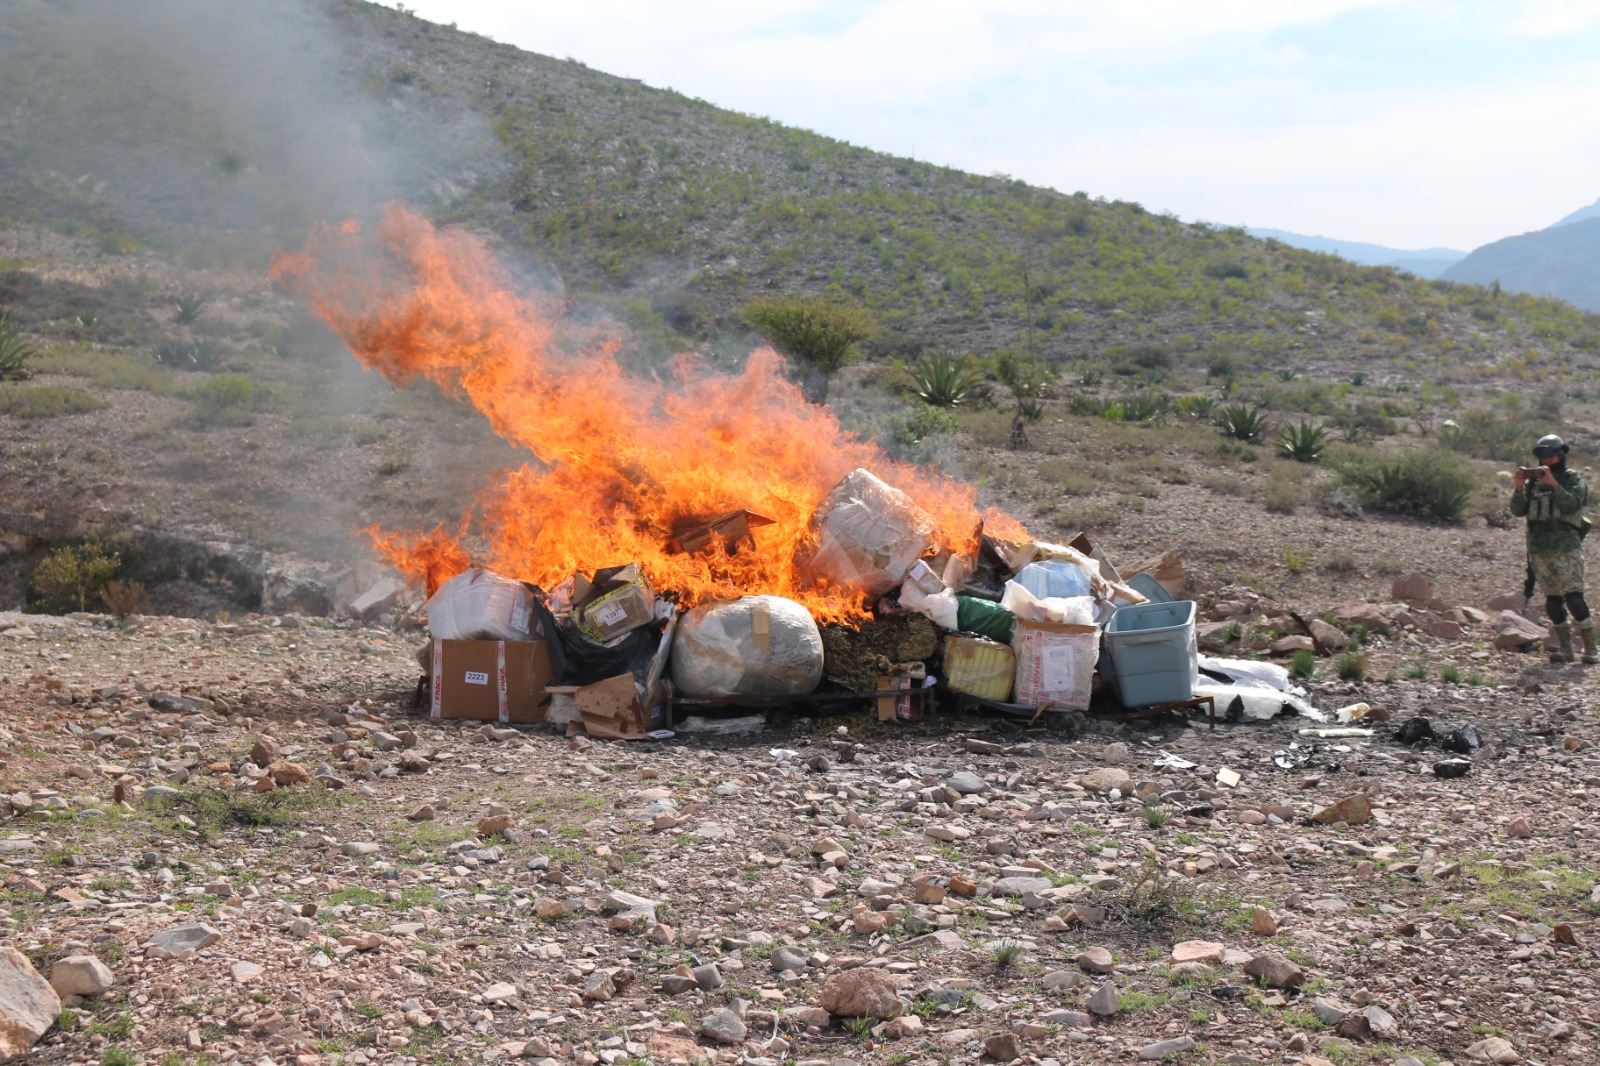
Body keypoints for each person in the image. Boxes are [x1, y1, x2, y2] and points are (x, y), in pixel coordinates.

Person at [1510, 434, 1595, 663]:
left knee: (1574, 598)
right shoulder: (1532, 484)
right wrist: (1519, 488)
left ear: (1561, 455)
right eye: (1543, 456)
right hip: (1539, 548)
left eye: (1551, 455)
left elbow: (1572, 504)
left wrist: (1554, 485)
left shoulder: (1572, 480)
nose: (1547, 460)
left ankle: (1591, 649)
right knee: (1553, 601)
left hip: (1565, 547)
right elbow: (1518, 511)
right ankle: (1566, 649)